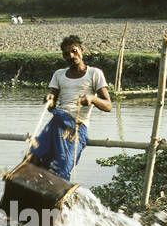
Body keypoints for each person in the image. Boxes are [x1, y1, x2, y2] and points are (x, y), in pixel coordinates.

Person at [31, 34, 112, 181]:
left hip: (77, 126)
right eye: (67, 53)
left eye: (74, 51)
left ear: (81, 50)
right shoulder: (59, 74)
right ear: (63, 56)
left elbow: (108, 106)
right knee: (35, 159)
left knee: (64, 165)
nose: (71, 55)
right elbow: (52, 103)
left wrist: (92, 98)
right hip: (58, 122)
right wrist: (49, 99)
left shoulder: (94, 73)